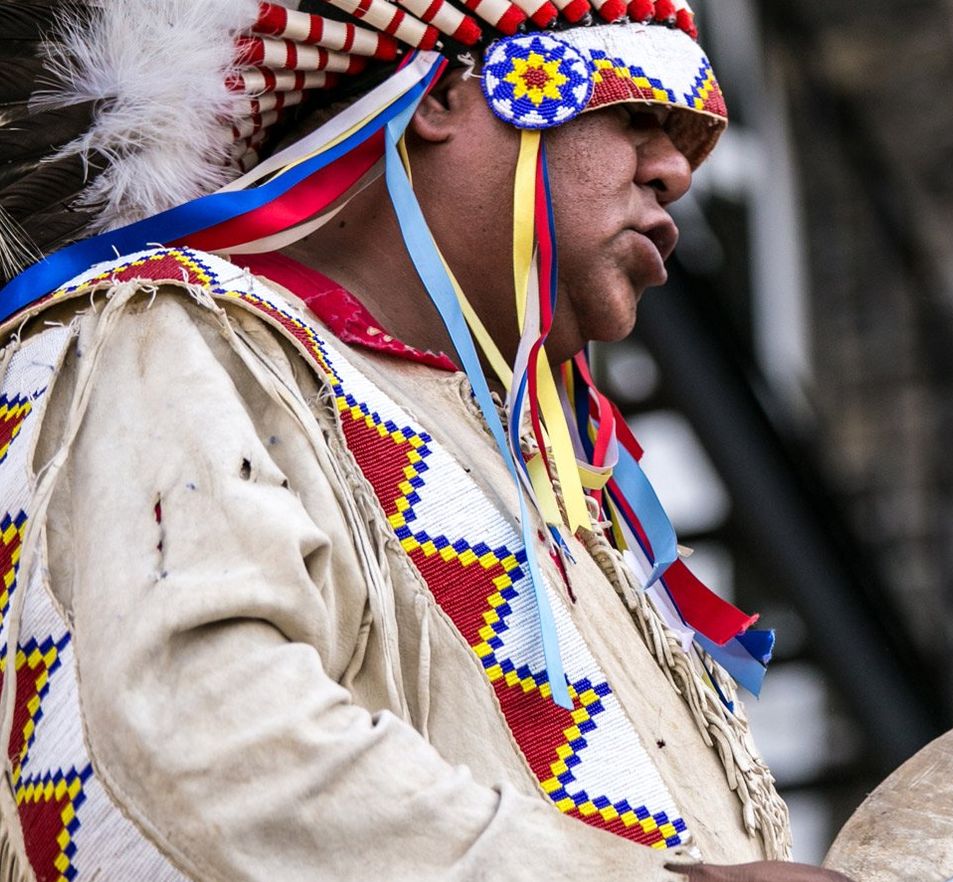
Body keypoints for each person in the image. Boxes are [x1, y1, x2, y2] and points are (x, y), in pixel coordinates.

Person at [0, 1, 849, 879]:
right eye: (638, 111)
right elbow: (197, 751)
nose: (676, 170)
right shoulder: (159, 342)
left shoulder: (554, 489)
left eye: (691, 141)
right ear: (442, 94)